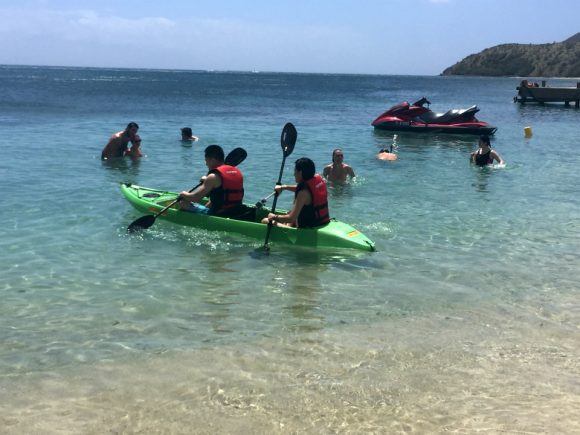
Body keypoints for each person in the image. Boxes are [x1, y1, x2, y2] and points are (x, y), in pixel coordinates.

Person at [262, 157, 330, 228]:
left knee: (265, 220)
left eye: (295, 171)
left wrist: (274, 217)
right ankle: (287, 225)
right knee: (290, 212)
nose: (294, 174)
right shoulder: (316, 180)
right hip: (321, 222)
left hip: (307, 229)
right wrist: (283, 187)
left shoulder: (303, 193)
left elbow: (291, 218)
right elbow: (304, 190)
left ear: (300, 172)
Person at [179, 145, 244, 217]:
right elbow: (221, 191)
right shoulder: (237, 172)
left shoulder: (213, 177)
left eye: (206, 161)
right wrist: (207, 180)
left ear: (212, 160)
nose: (206, 164)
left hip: (220, 214)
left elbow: (195, 198)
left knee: (183, 203)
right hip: (237, 211)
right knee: (213, 200)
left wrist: (183, 194)